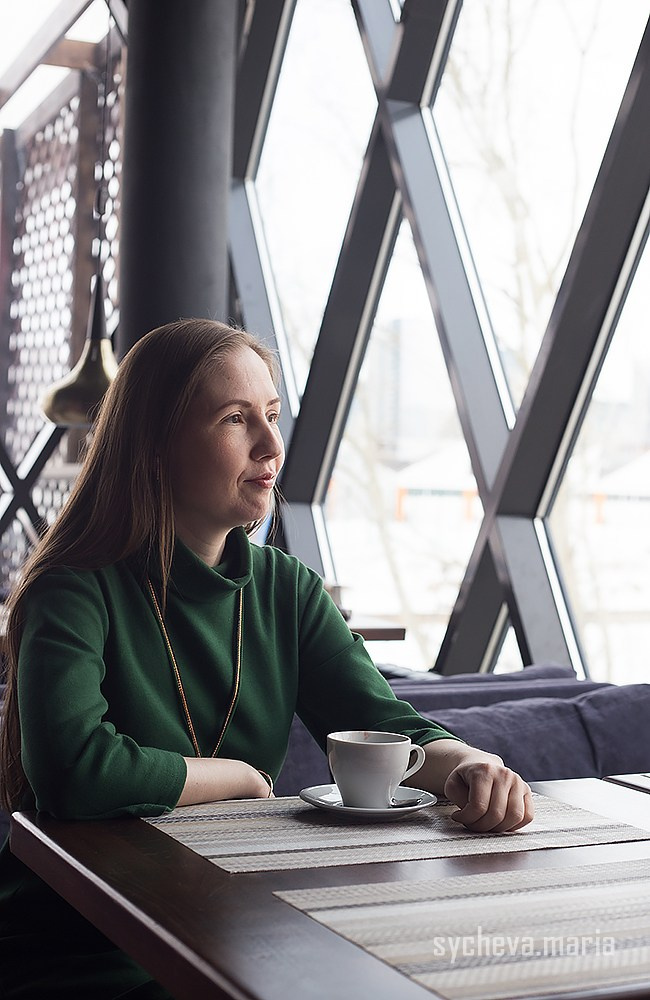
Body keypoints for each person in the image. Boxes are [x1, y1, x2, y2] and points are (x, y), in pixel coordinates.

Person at [0, 319, 534, 998]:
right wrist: (239, 778)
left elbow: (384, 724)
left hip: (231, 926)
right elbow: (75, 774)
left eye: (273, 416)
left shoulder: (287, 589)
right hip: (75, 943)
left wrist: (472, 766)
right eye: (235, 418)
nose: (272, 444)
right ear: (156, 447)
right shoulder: (72, 589)